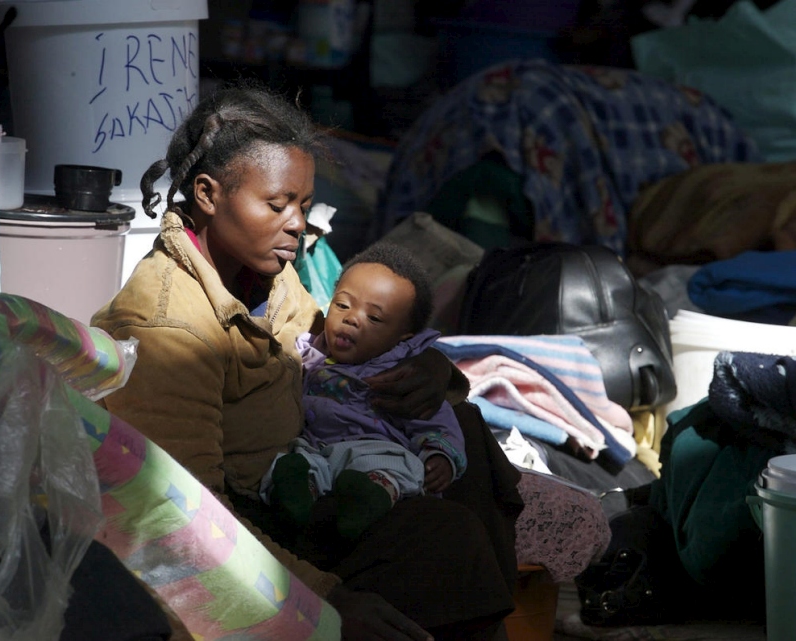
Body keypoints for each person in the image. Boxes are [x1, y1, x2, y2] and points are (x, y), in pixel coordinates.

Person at [91, 81, 523, 641]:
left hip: (320, 469)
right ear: (206, 193)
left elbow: (344, 350)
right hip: (255, 524)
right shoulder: (167, 329)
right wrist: (322, 602)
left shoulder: (271, 274)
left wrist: (435, 373)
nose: (297, 223)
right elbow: (184, 517)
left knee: (463, 436)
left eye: (301, 203)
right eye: (276, 205)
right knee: (440, 536)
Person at [260, 242, 468, 541]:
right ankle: (296, 496)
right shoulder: (309, 355)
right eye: (342, 305)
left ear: (401, 338)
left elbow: (435, 419)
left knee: (401, 465)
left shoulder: (402, 374)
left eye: (375, 318)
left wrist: (442, 456)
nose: (352, 318)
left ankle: (369, 498)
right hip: (319, 445)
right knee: (297, 461)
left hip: (374, 449)